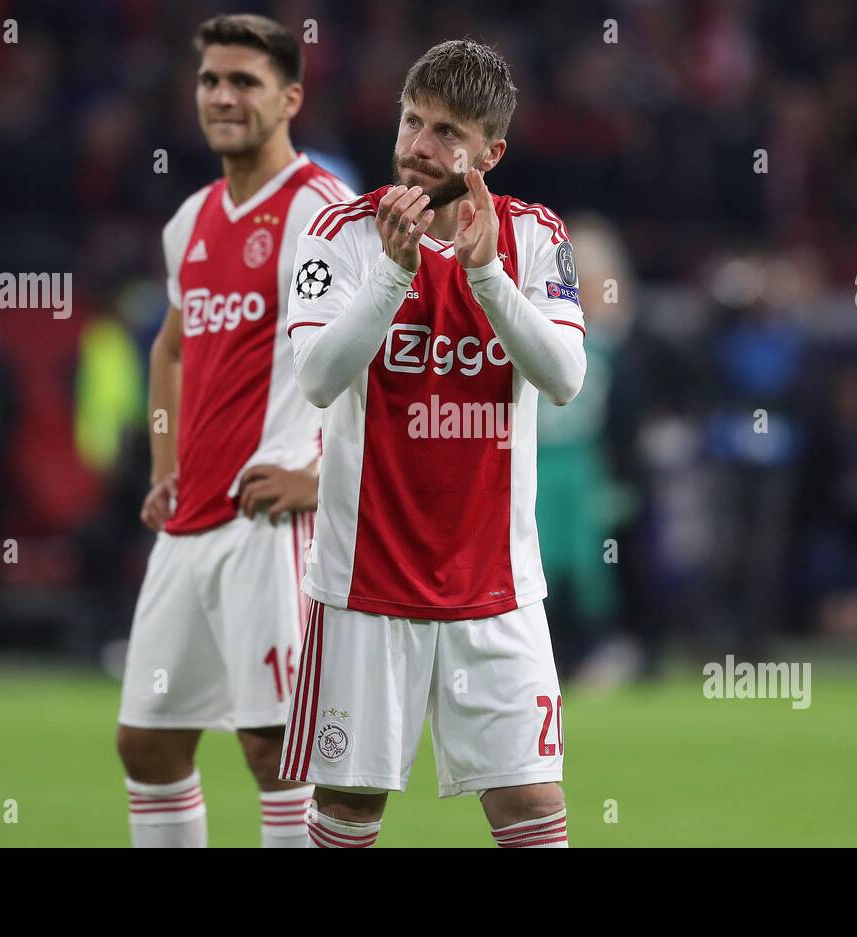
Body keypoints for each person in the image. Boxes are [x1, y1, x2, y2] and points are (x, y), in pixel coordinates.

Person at [281, 40, 585, 848]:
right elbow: (315, 377)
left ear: (491, 153)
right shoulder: (339, 233)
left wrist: (487, 279)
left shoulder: (533, 235)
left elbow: (563, 377)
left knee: (529, 804)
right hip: (364, 581)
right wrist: (391, 273)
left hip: (497, 585)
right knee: (349, 809)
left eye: (447, 132)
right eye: (412, 120)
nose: (418, 145)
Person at [115, 13, 355, 848]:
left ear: (289, 97)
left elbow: (382, 356)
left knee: (275, 747)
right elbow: (171, 348)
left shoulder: (323, 212)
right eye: (211, 80)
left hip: (272, 518)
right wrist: (163, 461)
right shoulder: (190, 221)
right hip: (191, 520)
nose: (222, 96)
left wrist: (320, 477)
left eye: (244, 81)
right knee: (147, 740)